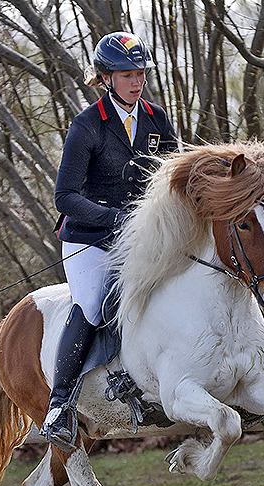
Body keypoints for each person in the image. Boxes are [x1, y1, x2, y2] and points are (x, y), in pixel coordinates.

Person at [40, 32, 179, 445]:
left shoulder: (155, 119)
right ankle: (60, 404)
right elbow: (64, 196)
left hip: (138, 238)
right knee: (93, 304)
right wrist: (112, 218)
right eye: (126, 75)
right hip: (89, 238)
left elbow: (173, 176)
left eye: (140, 73)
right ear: (105, 77)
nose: (136, 82)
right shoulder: (87, 126)